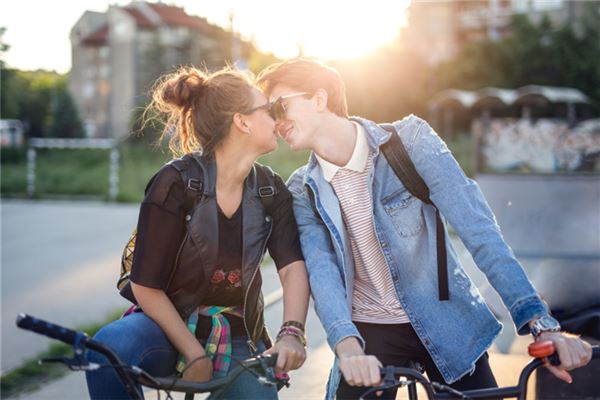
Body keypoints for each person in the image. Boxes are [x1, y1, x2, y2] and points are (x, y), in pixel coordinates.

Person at [257, 59, 593, 400]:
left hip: (446, 317)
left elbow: (480, 232)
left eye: (279, 106)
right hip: (369, 331)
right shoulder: (302, 188)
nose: (276, 120)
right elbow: (322, 271)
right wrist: (347, 347)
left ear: (318, 98)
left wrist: (540, 324)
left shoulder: (411, 142)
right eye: (269, 113)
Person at [85, 66, 310, 399]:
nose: (277, 118)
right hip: (167, 325)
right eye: (269, 109)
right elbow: (144, 284)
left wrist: (292, 333)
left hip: (238, 334)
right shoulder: (175, 183)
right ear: (242, 121)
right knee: (107, 349)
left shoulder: (270, 190)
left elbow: (292, 267)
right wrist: (192, 351)